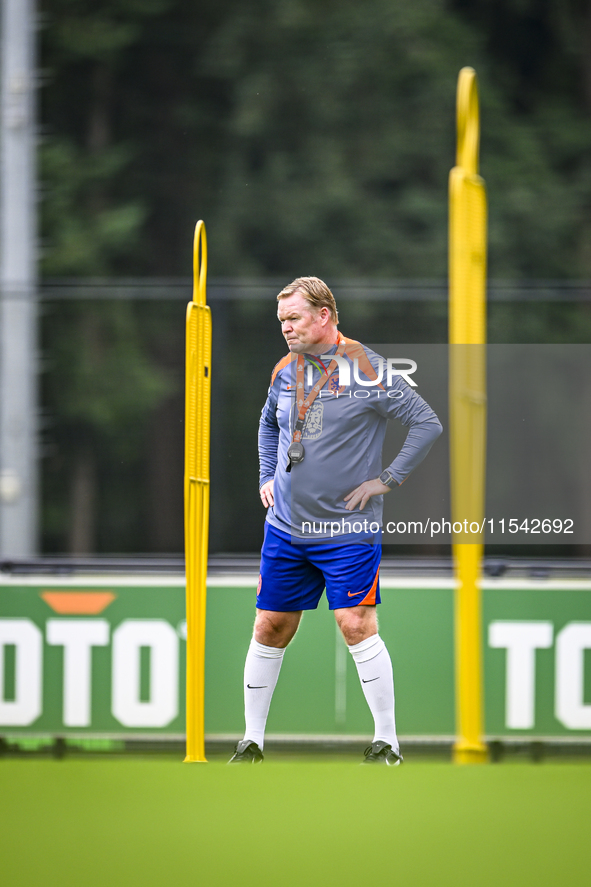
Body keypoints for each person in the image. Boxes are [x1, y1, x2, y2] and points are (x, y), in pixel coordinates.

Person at [229, 277, 442, 765]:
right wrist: (267, 473)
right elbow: (267, 424)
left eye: (294, 318)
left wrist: (387, 479)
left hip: (345, 531)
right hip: (285, 528)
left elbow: (427, 423)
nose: (285, 328)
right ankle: (251, 743)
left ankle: (386, 742)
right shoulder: (284, 370)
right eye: (281, 320)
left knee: (355, 623)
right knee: (270, 626)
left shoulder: (369, 368)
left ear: (324, 315)